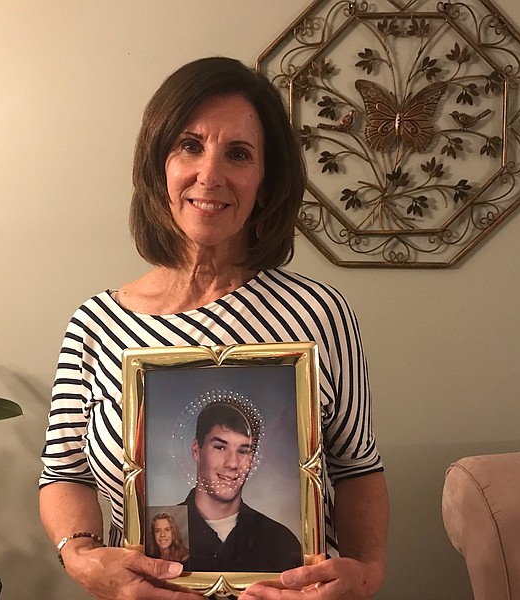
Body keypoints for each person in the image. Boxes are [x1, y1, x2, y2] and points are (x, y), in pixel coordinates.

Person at [39, 56, 388, 600]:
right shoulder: (97, 324)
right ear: (159, 164)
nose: (210, 174)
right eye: (189, 145)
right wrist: (80, 556)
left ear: (265, 180)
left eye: (239, 154)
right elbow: (64, 473)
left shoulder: (319, 314)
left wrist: (366, 574)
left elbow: (358, 467)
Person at [182, 401, 301, 572]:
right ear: (196, 450)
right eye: (220, 447)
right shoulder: (162, 532)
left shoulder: (280, 541)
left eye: (243, 451)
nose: (232, 463)